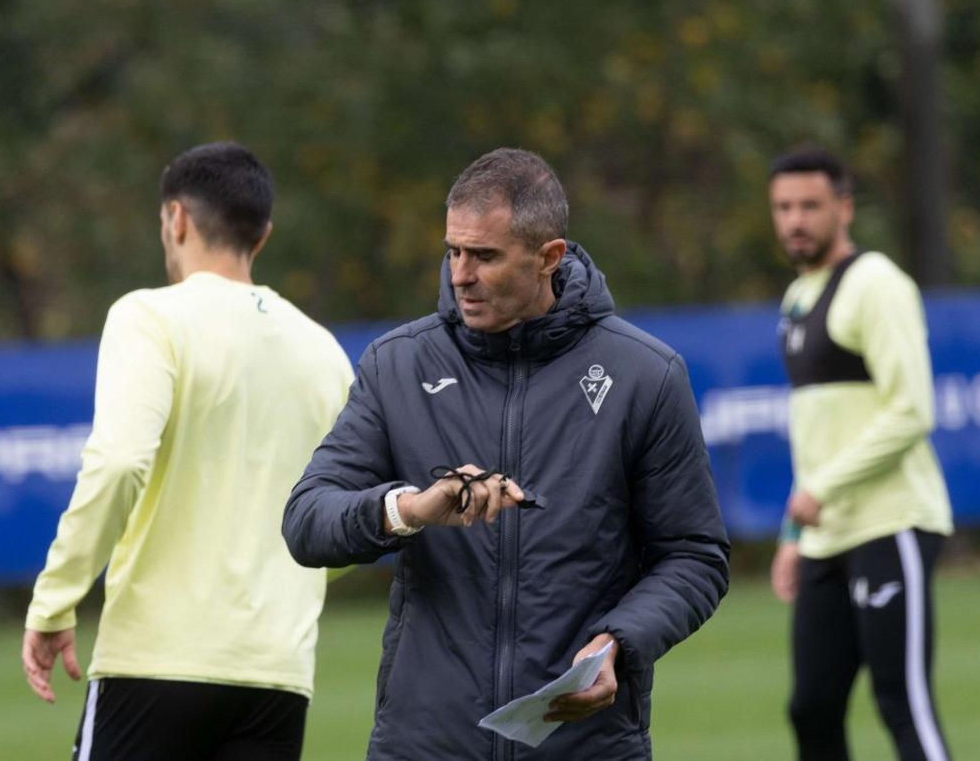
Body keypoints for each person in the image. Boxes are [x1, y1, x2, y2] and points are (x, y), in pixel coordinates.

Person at [282, 148, 730, 760]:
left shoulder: (644, 375)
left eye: (484, 256)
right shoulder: (397, 365)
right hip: (425, 745)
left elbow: (695, 555)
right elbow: (307, 521)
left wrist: (618, 643)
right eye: (453, 252)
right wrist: (408, 510)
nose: (460, 275)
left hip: (585, 746)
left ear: (549, 257)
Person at [21, 142, 354, 761]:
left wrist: (55, 599)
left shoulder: (150, 317)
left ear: (176, 218)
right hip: (277, 675)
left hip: (156, 661)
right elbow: (339, 525)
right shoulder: (324, 351)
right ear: (263, 235)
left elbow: (120, 462)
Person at [767, 148, 953, 761]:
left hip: (889, 523)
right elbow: (817, 429)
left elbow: (913, 410)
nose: (796, 220)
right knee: (811, 709)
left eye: (810, 205)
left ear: (844, 208)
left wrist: (821, 490)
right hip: (825, 539)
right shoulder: (797, 296)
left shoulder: (877, 284)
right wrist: (794, 534)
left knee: (902, 703)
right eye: (783, 207)